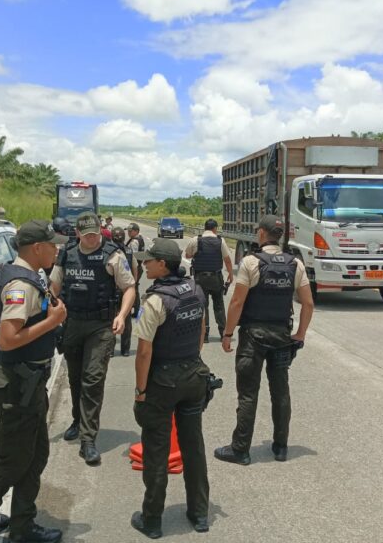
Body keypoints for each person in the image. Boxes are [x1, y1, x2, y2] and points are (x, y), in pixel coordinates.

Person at [0, 220, 68, 543]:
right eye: (52, 245)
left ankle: (21, 525)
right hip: (19, 387)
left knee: (35, 456)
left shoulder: (32, 276)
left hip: (30, 384)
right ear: (37, 248)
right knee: (13, 462)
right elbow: (8, 339)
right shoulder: (20, 285)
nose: (57, 249)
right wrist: (52, 322)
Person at [214, 214, 314, 465]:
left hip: (252, 338)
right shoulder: (295, 264)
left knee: (248, 394)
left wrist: (227, 333)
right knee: (281, 392)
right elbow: (308, 303)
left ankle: (241, 449)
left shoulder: (250, 262)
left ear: (261, 233)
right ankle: (281, 447)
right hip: (281, 336)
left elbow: (237, 302)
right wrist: (300, 334)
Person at [131, 238, 211, 539]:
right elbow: (201, 330)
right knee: (194, 446)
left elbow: (143, 352)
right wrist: (192, 359)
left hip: (162, 383)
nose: (144, 264)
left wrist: (140, 391)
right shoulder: (196, 290)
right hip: (193, 374)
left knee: (156, 451)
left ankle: (152, 520)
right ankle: (200, 514)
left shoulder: (154, 301)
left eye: (149, 260)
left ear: (163, 265)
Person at [50, 211, 136, 465]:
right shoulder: (67, 254)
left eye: (95, 234)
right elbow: (54, 287)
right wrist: (52, 311)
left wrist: (122, 315)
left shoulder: (113, 255)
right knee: (76, 378)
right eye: (86, 235)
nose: (91, 239)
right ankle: (78, 420)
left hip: (101, 325)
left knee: (92, 378)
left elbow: (129, 287)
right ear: (78, 234)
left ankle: (88, 439)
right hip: (73, 323)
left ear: (100, 231)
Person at [184, 219, 233, 342]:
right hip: (216, 278)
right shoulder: (220, 241)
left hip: (200, 278)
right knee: (219, 305)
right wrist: (231, 274)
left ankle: (204, 335)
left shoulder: (196, 240)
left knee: (203, 305)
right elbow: (227, 259)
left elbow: (187, 255)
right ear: (215, 228)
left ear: (205, 228)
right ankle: (223, 333)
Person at [111, 226, 136, 357]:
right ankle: (125, 349)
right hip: (126, 289)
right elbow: (135, 269)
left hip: (112, 289)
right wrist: (131, 286)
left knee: (111, 317)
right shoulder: (129, 250)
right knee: (125, 318)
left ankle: (110, 350)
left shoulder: (108, 251)